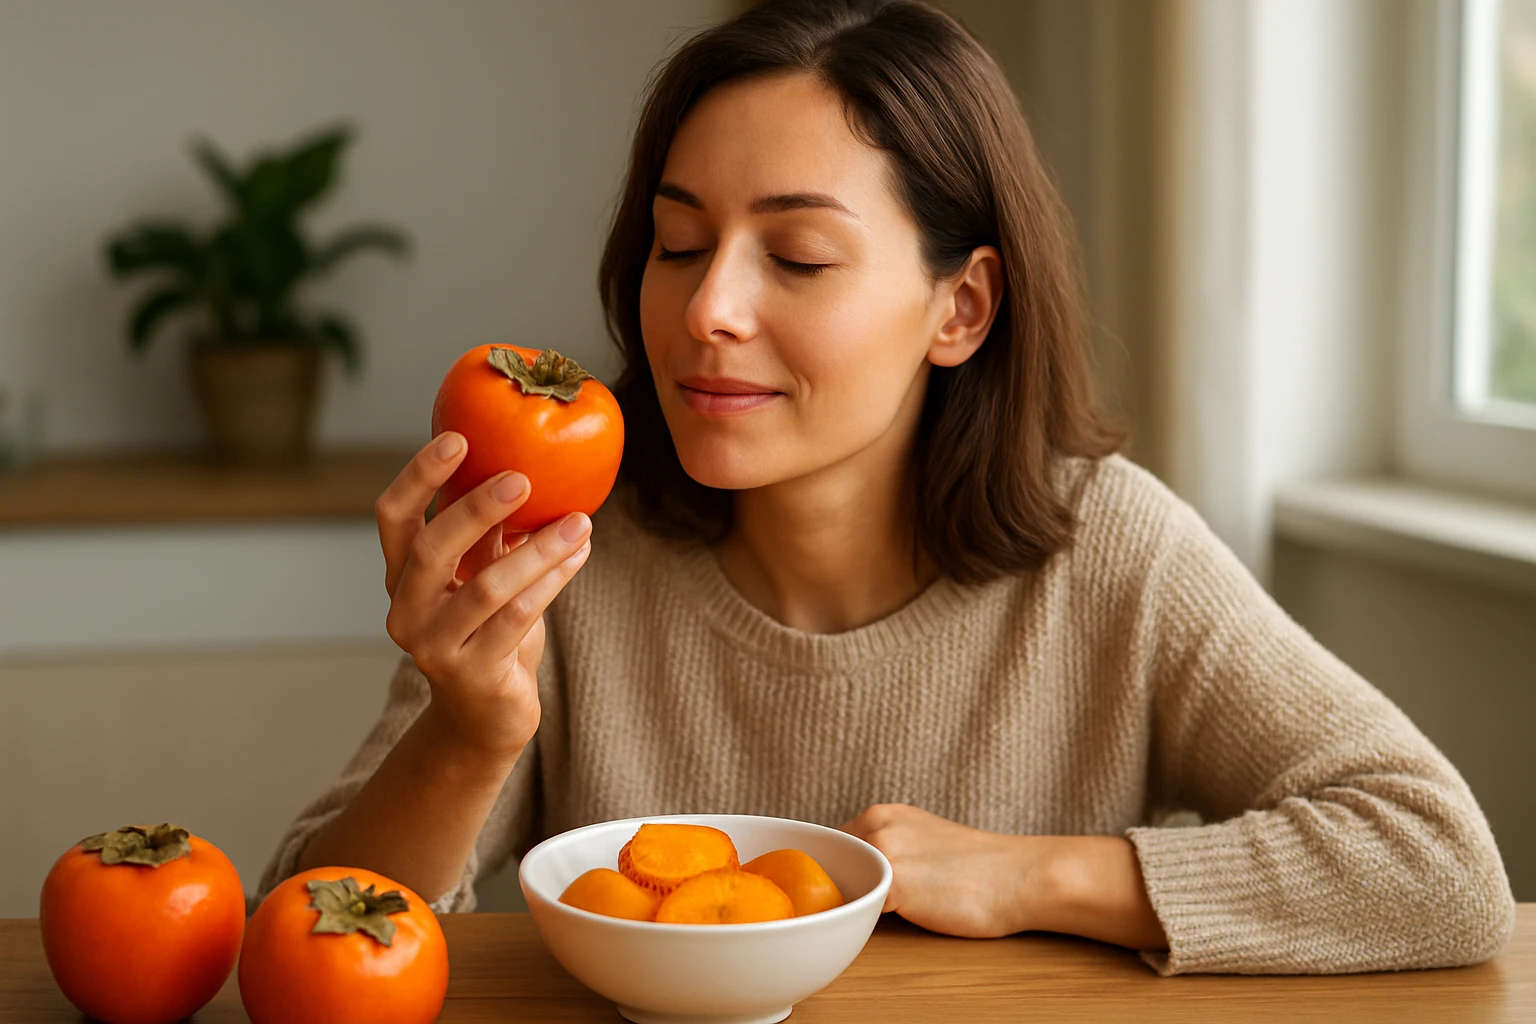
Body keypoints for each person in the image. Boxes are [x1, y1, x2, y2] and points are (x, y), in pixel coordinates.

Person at [256, 0, 1515, 974]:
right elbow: (308, 928)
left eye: (797, 257)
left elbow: (1440, 861)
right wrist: (468, 735)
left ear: (959, 307)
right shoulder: (570, 552)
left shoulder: (1112, 551)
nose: (705, 310)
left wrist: (1032, 878)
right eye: (678, 242)